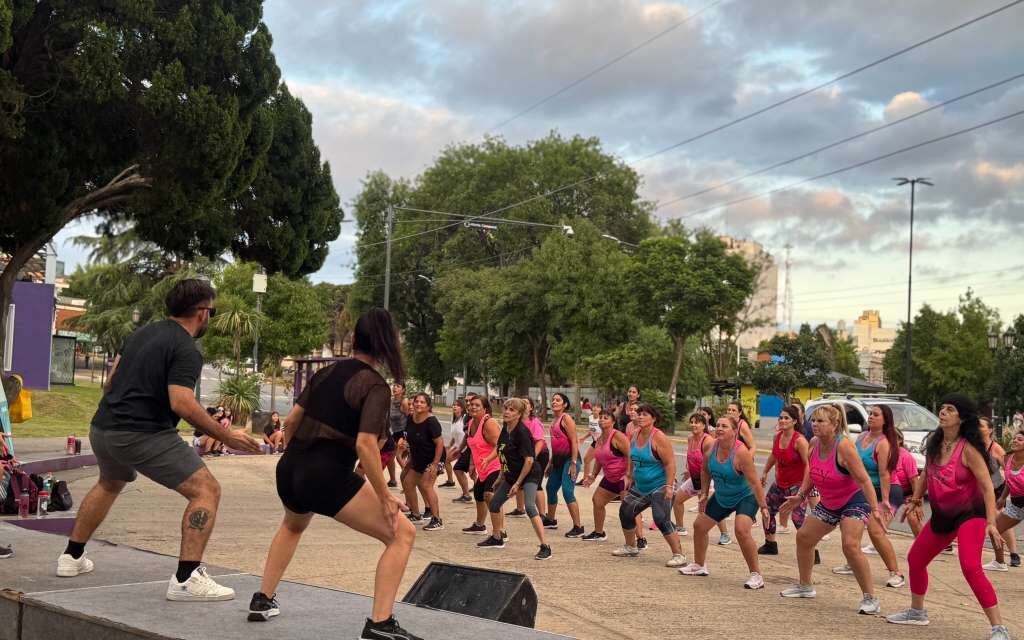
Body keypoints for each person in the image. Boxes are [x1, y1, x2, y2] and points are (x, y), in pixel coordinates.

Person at [57, 279, 260, 601]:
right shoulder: (185, 349)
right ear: (203, 312)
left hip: (102, 428)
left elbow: (110, 382)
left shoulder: (141, 334)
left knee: (111, 481)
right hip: (142, 433)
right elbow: (182, 402)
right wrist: (225, 435)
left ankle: (71, 557)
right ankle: (186, 578)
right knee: (206, 490)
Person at [248, 308, 422, 640]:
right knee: (402, 534)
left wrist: (299, 458)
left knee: (292, 524)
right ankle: (380, 624)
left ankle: (263, 599)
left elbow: (290, 422)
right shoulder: (375, 386)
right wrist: (385, 495)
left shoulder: (325, 373)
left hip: (291, 469)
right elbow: (366, 444)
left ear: (354, 339)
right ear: (387, 346)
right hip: (325, 474)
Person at [886, 395, 1009, 640]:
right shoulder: (935, 442)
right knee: (916, 559)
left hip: (970, 515)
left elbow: (986, 486)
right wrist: (917, 499)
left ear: (961, 418)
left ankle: (999, 629)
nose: (942, 412)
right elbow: (925, 475)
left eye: (949, 409)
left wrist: (992, 523)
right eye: (941, 408)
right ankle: (917, 612)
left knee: (971, 567)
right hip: (943, 514)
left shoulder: (969, 448)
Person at [779, 404, 884, 615]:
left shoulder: (844, 446)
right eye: (814, 421)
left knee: (850, 546)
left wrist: (875, 509)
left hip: (854, 501)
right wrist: (800, 496)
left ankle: (871, 598)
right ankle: (805, 586)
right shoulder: (814, 443)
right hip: (830, 502)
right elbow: (812, 472)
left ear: (835, 424)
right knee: (804, 538)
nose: (815, 425)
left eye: (821, 421)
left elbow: (864, 479)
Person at [680, 415, 769, 588]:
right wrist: (704, 492)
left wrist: (763, 507)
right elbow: (705, 470)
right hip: (722, 496)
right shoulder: (711, 448)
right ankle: (699, 565)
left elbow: (754, 482)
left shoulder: (741, 453)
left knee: (741, 530)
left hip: (745, 496)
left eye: (725, 426)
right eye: (718, 425)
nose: (719, 428)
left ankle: (756, 575)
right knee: (699, 526)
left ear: (735, 432)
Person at [833, 404, 905, 588]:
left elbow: (885, 474)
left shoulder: (883, 443)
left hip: (886, 491)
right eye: (870, 414)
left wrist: (886, 501)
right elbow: (853, 462)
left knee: (875, 531)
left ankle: (896, 573)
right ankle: (853, 562)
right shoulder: (863, 436)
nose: (871, 417)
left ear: (885, 420)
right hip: (865, 489)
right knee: (848, 524)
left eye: (875, 414)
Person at [612, 404, 687, 568]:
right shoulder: (634, 434)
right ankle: (631, 547)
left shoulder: (659, 438)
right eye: (638, 414)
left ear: (653, 418)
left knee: (661, 518)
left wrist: (668, 486)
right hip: (642, 485)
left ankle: (679, 555)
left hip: (660, 484)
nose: (639, 417)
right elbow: (631, 457)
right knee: (626, 511)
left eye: (644, 414)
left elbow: (670, 464)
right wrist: (629, 475)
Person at [476, 399, 551, 559]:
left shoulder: (522, 432)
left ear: (519, 414)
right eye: (505, 408)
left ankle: (545, 546)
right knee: (495, 504)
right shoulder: (506, 428)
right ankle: (497, 538)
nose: (506, 412)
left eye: (511, 410)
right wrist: (501, 475)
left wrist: (518, 484)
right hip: (512, 474)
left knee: (530, 507)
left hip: (529, 473)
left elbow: (529, 460)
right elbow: (503, 451)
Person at [758, 406, 809, 558]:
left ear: (794, 421)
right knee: (766, 510)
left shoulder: (799, 441)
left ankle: (811, 550)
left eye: (786, 418)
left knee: (798, 519)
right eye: (780, 418)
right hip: (780, 483)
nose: (782, 420)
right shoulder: (777, 437)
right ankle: (770, 544)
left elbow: (808, 465)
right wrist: (765, 471)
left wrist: (803, 490)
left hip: (797, 484)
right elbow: (774, 456)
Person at [673, 413, 728, 541]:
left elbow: (715, 461)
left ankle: (725, 534)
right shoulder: (690, 438)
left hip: (708, 479)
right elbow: (690, 456)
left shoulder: (708, 441)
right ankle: (680, 528)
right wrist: (688, 470)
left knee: (712, 508)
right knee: (677, 500)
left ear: (704, 425)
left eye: (697, 422)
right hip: (695, 478)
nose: (693, 425)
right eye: (691, 422)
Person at [581, 410, 632, 541]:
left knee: (627, 509)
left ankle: (639, 540)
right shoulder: (599, 440)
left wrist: (628, 475)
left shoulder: (618, 436)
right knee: (597, 501)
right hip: (610, 478)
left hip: (623, 477)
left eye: (606, 417)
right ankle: (599, 533)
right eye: (601, 418)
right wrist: (593, 476)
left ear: (613, 422)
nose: (602, 419)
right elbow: (599, 459)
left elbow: (631, 456)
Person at [401, 393, 445, 531]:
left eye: (422, 402)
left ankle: (437, 519)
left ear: (428, 406)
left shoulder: (431, 422)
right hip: (419, 458)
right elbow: (410, 438)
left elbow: (439, 444)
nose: (418, 404)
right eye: (416, 402)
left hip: (434, 458)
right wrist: (405, 448)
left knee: (426, 485)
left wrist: (435, 464)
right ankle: (415, 514)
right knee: (407, 482)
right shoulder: (410, 418)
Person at [543, 393, 585, 537]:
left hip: (570, 461)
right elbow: (555, 445)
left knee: (567, 492)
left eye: (558, 400)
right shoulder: (554, 420)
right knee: (550, 488)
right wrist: (550, 463)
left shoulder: (566, 418)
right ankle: (550, 520)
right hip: (558, 462)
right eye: (553, 399)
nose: (554, 402)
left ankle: (578, 527)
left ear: (565, 404)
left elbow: (574, 441)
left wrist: (573, 463)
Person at [980, 417, 1019, 570]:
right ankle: (1003, 558)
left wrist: (1005, 495)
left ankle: (1013, 554)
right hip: (981, 489)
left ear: (990, 430)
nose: (977, 428)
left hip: (996, 489)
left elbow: (1010, 468)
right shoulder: (974, 446)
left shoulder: (995, 448)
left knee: (1000, 520)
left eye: (981, 426)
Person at [461, 396, 503, 536]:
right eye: (471, 404)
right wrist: (472, 464)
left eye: (477, 405)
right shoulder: (471, 422)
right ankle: (479, 526)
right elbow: (473, 445)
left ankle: (501, 532)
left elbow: (500, 446)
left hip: (496, 466)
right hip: (482, 468)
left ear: (485, 408)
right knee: (479, 494)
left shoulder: (489, 423)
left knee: (490, 496)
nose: (472, 407)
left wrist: (488, 459)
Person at [509, 397, 549, 519]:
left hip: (538, 454)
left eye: (526, 403)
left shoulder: (535, 422)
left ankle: (542, 514)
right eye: (522, 403)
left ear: (531, 407)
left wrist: (532, 458)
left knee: (536, 484)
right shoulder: (517, 421)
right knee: (519, 480)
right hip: (524, 455)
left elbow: (540, 442)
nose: (524, 404)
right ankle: (520, 509)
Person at [989, 430, 1024, 569]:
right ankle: (999, 562)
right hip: (1016, 504)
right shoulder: (1008, 458)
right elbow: (1009, 481)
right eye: (1014, 439)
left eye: (1020, 439)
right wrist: (1003, 497)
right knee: (994, 528)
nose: (1015, 441)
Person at [890, 430, 923, 537]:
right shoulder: (883, 453)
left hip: (908, 493)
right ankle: (876, 544)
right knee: (882, 515)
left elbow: (915, 481)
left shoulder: (906, 457)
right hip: (891, 492)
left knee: (912, 517)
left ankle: (922, 545)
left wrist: (917, 503)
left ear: (899, 440)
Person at [446, 400, 471, 502]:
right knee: (447, 460)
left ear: (462, 407)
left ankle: (467, 493)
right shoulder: (454, 419)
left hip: (464, 448)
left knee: (462, 469)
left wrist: (460, 448)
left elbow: (466, 434)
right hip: (458, 447)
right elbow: (454, 436)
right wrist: (449, 446)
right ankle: (451, 481)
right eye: (453, 405)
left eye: (457, 405)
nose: (455, 407)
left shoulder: (464, 418)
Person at [386, 382, 406, 487]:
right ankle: (393, 480)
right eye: (394, 385)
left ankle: (410, 481)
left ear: (403, 390)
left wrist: (407, 436)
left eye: (398, 386)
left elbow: (410, 417)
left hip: (403, 433)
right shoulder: (391, 401)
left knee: (399, 457)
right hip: (394, 433)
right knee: (390, 457)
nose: (394, 388)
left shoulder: (404, 402)